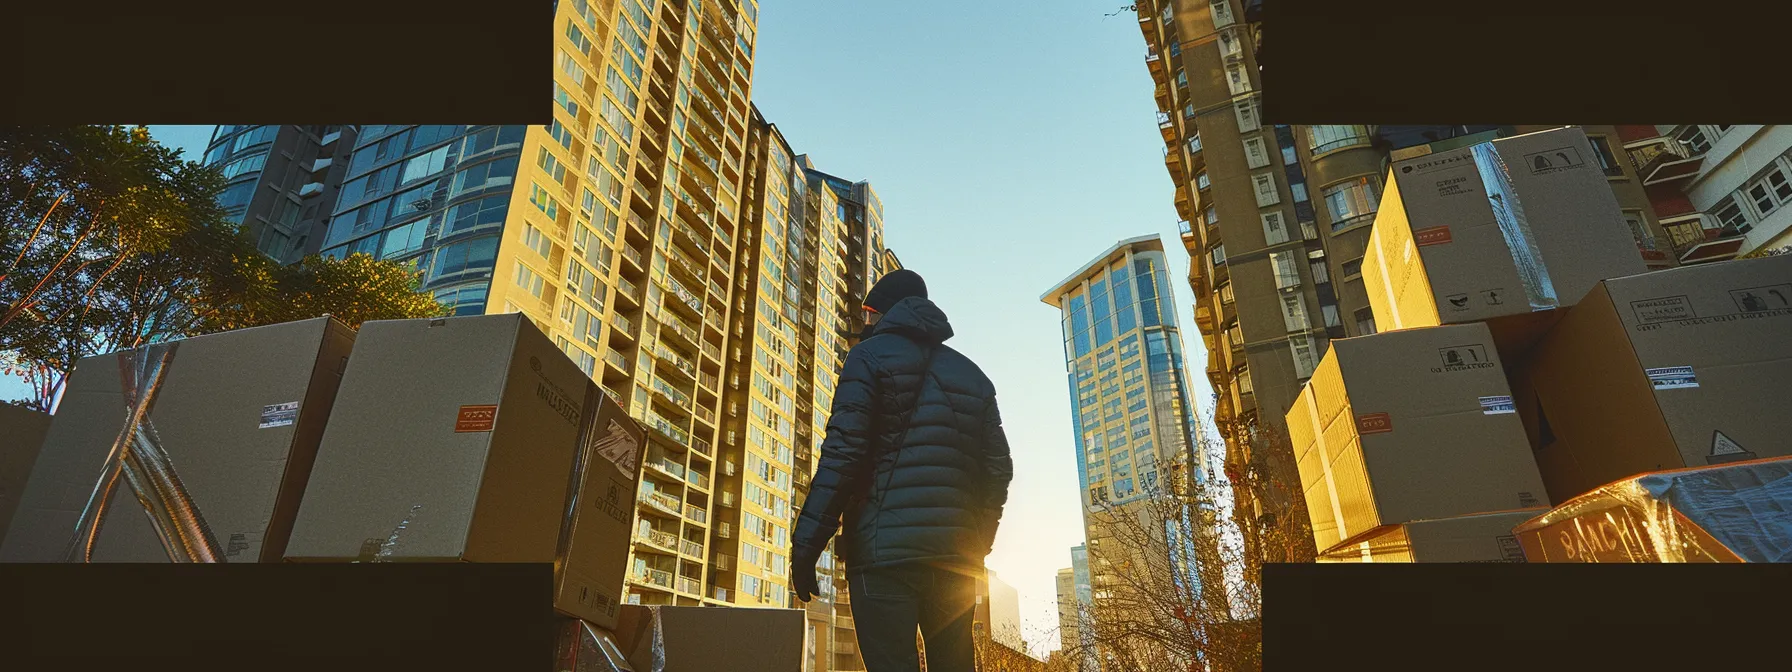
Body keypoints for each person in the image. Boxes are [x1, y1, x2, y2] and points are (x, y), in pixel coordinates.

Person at [790, 269, 1015, 672]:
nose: (866, 323)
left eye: (870, 313)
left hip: (883, 561)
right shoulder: (974, 377)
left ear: (886, 313)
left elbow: (843, 453)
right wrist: (976, 541)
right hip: (954, 563)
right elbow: (998, 471)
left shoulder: (867, 357)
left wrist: (807, 544)